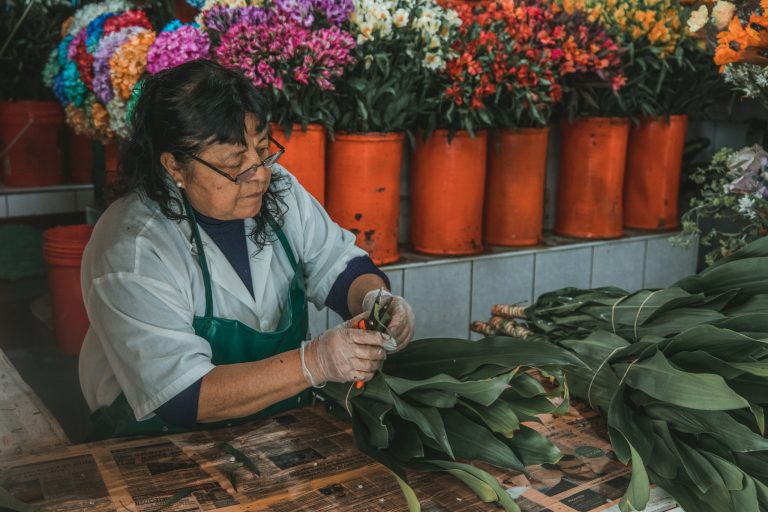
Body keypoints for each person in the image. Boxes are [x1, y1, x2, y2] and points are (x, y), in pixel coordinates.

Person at [78, 60, 416, 439]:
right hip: (157, 440)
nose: (260, 172)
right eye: (235, 162)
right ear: (175, 166)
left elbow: (339, 266)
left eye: (261, 149)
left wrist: (374, 298)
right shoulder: (133, 249)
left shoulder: (279, 191)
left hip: (270, 425)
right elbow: (181, 395)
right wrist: (315, 362)